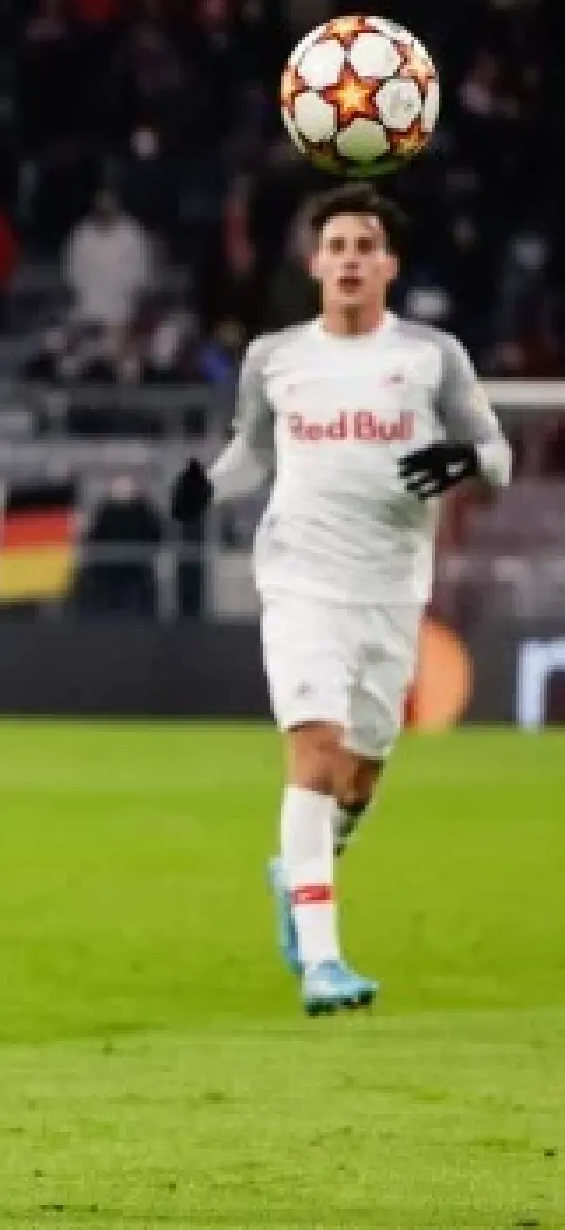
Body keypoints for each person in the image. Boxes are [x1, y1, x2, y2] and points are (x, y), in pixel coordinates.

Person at [169, 183, 510, 1017]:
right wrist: (207, 487)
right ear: (315, 262)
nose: (351, 259)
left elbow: (497, 455)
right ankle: (323, 960)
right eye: (338, 247)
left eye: (366, 246)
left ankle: (297, 869)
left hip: (391, 587)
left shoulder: (433, 356)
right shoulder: (275, 358)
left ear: (389, 265)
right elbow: (253, 453)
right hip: (301, 579)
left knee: (358, 777)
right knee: (315, 752)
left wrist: (465, 463)